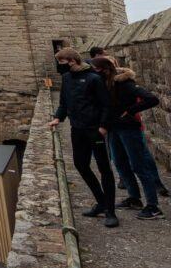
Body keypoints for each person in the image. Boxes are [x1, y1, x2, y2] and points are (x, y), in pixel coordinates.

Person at [48, 48, 119, 227]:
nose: (59, 66)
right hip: (77, 128)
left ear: (72, 60)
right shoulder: (66, 78)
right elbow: (64, 102)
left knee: (104, 169)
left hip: (94, 129)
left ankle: (111, 211)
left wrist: (103, 127)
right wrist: (58, 117)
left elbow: (106, 105)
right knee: (81, 164)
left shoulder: (94, 79)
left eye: (61, 62)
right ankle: (101, 201)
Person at [92, 57, 164, 220]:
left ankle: (153, 206)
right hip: (114, 129)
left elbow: (152, 99)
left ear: (104, 69)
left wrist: (131, 110)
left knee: (139, 166)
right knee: (120, 163)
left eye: (95, 69)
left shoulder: (125, 83)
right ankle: (134, 198)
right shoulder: (105, 84)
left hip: (129, 130)